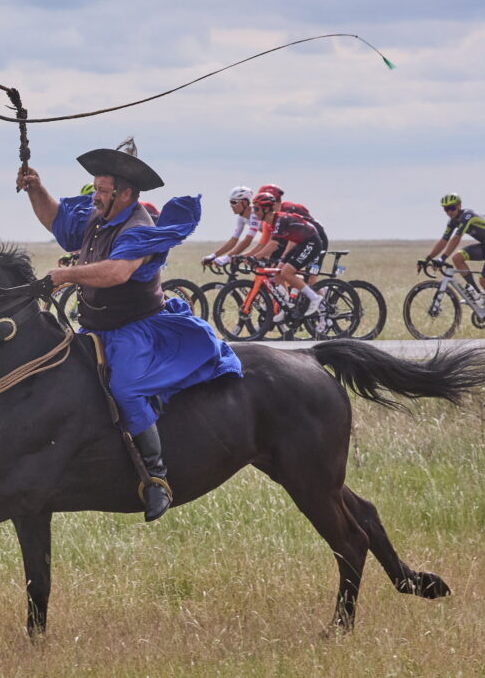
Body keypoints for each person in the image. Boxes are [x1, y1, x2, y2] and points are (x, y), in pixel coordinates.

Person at [17, 148, 243, 522]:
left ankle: (156, 478)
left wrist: (65, 275)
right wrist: (36, 189)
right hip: (96, 329)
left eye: (102, 190)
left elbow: (117, 272)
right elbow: (56, 219)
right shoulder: (97, 218)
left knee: (125, 389)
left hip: (136, 332)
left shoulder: (139, 228)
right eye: (95, 188)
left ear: (125, 194)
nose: (95, 196)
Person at [423, 193, 485, 332]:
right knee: (457, 258)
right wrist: (428, 258)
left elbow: (456, 238)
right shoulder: (452, 221)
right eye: (445, 209)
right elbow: (444, 240)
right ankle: (477, 293)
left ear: (459, 206)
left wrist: (442, 259)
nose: (449, 212)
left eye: (451, 208)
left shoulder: (467, 216)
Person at [251, 192, 324, 321]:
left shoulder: (280, 219)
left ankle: (314, 297)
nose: (254, 212)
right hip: (301, 243)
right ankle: (286, 306)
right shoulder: (272, 222)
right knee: (278, 272)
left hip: (312, 242)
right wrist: (260, 256)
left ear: (266, 209)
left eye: (256, 208)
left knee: (287, 272)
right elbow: (273, 244)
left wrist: (255, 257)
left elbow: (274, 244)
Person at [202, 186, 259, 267]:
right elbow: (234, 240)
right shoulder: (241, 218)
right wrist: (214, 255)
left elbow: (248, 240)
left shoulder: (255, 214)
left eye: (234, 202)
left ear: (245, 203)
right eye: (230, 202)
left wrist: (228, 257)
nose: (231, 206)